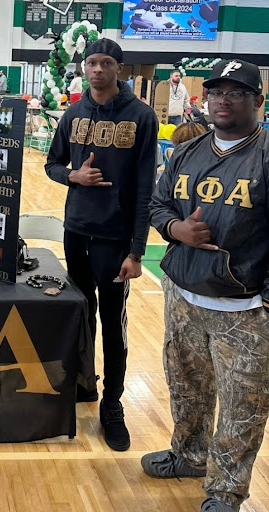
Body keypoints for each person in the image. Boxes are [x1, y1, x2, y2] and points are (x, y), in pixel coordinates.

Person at [144, 59, 269, 512]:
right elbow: (158, 204)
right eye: (217, 91)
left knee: (243, 408)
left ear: (257, 100)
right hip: (183, 294)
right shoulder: (188, 151)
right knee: (187, 387)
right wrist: (177, 231)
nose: (223, 100)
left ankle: (226, 492)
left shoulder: (265, 154)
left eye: (236, 93)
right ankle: (189, 455)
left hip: (243, 308)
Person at [45, 38, 158, 452]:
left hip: (116, 239)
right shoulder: (73, 113)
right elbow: (52, 164)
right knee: (80, 315)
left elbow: (147, 188)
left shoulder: (142, 117)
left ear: (119, 69)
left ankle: (113, 403)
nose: (97, 69)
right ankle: (84, 383)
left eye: (105, 63)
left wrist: (136, 250)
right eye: (91, 62)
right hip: (76, 231)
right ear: (84, 68)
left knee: (113, 324)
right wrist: (73, 176)